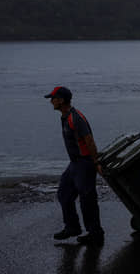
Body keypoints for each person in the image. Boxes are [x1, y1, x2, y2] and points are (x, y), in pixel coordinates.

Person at [45, 86, 105, 246]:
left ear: (61, 100)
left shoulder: (75, 118)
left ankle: (95, 234)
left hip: (84, 163)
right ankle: (72, 227)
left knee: (87, 200)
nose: (51, 101)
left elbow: (89, 140)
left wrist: (96, 162)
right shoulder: (65, 117)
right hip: (75, 164)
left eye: (53, 98)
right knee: (64, 194)